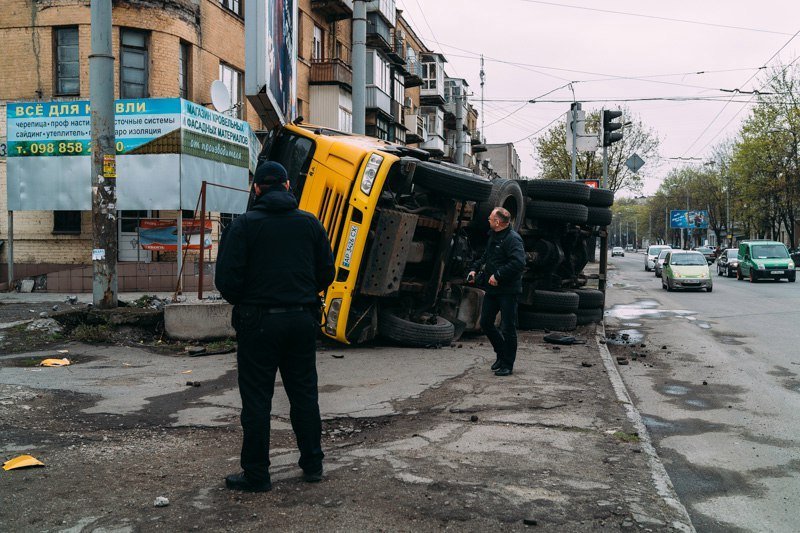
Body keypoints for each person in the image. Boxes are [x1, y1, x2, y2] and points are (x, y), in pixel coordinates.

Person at [215, 161, 336, 492]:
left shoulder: (242, 226)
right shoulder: (310, 224)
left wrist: (251, 300)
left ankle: (257, 474)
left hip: (258, 323)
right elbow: (327, 273)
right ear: (286, 187)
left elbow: (226, 280)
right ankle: (312, 464)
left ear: (256, 189)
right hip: (300, 319)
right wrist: (303, 291)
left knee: (256, 399)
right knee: (304, 394)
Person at [468, 207, 525, 376]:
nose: (488, 220)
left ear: (498, 222)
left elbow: (518, 263)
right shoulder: (493, 235)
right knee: (485, 322)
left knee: (508, 327)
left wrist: (498, 275)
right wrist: (474, 269)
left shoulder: (513, 239)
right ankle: (501, 354)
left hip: (508, 291)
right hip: (492, 290)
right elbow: (486, 256)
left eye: (490, 218)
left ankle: (508, 364)